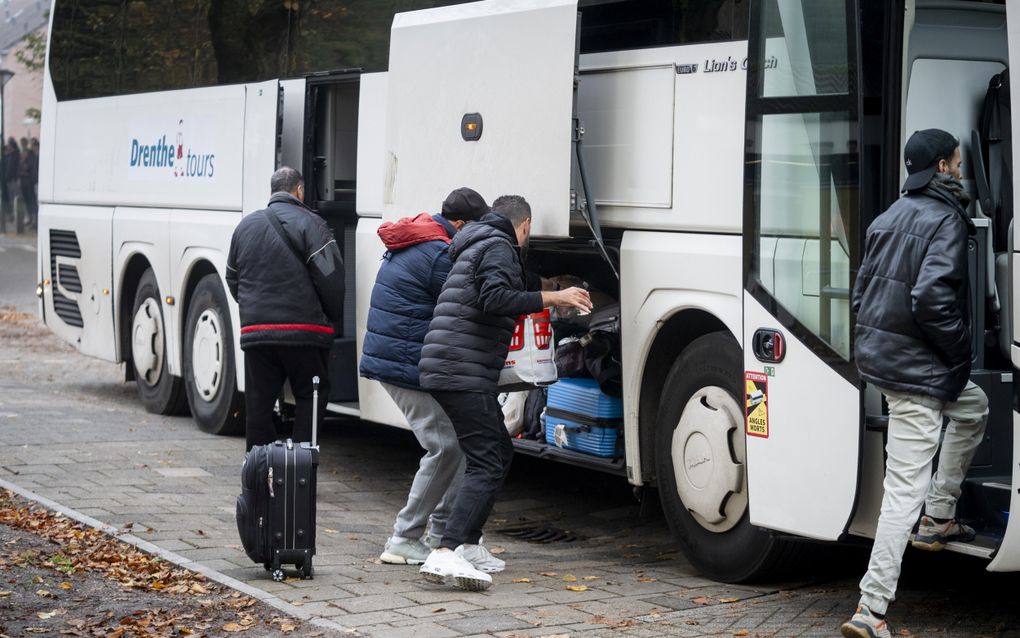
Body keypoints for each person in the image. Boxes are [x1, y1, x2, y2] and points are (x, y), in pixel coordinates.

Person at [842, 129, 989, 638]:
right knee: (904, 489)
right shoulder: (946, 219)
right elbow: (931, 301)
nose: (960, 169)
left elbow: (860, 295)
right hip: (920, 373)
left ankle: (940, 517)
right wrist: (960, 350)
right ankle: (870, 608)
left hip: (888, 364)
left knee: (973, 408)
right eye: (957, 162)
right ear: (944, 168)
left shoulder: (889, 215)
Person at [417, 195, 592, 590]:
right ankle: (445, 550)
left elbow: (499, 285)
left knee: (499, 449)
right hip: (461, 370)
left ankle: (469, 544)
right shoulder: (499, 246)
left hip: (450, 365)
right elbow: (495, 297)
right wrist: (553, 297)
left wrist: (542, 285)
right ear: (525, 225)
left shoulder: (477, 243)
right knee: (486, 461)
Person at [360, 187, 490, 566]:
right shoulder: (436, 254)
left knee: (458, 444)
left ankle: (440, 531)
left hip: (402, 358)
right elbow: (471, 299)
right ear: (461, 225)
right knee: (446, 446)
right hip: (403, 363)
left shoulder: (426, 238)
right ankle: (404, 537)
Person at [226, 167, 346, 451]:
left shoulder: (245, 226)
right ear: (300, 190)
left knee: (259, 403)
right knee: (310, 397)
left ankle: (258, 474)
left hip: (257, 334)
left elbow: (233, 278)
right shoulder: (313, 224)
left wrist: (256, 310)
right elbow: (332, 279)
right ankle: (300, 473)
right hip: (305, 333)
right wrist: (332, 318)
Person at [19, 138, 38, 229]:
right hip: (24, 182)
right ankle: (30, 219)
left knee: (32, 202)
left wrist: (25, 169)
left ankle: (35, 221)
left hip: (30, 182)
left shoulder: (31, 154)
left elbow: (31, 167)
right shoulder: (22, 154)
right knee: (27, 202)